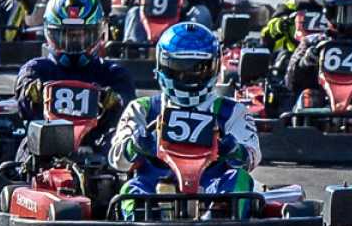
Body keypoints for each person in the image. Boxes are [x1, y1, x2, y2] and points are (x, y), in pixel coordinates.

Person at [109, 22, 261, 211]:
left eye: (198, 69)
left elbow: (252, 157)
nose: (188, 76)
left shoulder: (231, 111)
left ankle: (220, 220)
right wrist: (135, 145)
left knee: (240, 180)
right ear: (161, 65)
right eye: (178, 68)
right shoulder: (143, 109)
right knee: (131, 189)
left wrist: (234, 149)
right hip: (155, 184)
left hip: (212, 186)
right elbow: (117, 161)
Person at [12, 0, 137, 153]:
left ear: (98, 33)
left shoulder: (113, 74)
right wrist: (33, 91)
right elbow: (23, 102)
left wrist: (113, 101)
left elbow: (128, 110)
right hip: (45, 146)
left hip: (97, 147)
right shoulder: (36, 69)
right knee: (28, 141)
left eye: (81, 36)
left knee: (123, 145)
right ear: (50, 33)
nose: (74, 43)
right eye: (66, 35)